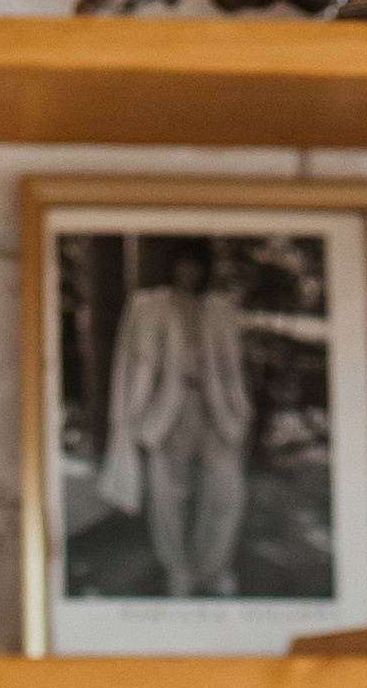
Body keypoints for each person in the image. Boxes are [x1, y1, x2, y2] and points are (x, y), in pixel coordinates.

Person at [97, 237, 254, 596]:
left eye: (196, 264)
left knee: (226, 491)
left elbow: (234, 369)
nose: (189, 271)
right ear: (173, 266)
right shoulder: (150, 306)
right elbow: (132, 362)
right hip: (168, 413)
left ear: (204, 269)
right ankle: (177, 569)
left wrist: (242, 412)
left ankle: (213, 566)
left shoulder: (219, 309)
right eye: (183, 263)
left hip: (217, 412)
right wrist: (133, 415)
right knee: (168, 496)